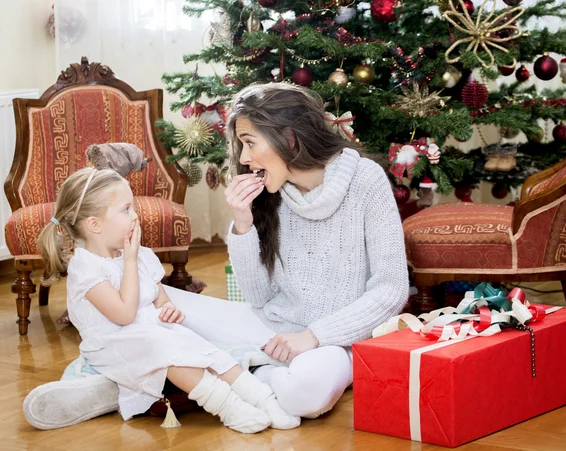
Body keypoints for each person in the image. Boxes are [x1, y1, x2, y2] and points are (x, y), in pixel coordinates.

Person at [23, 82, 409, 426]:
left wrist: (314, 336)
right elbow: (258, 299)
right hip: (270, 326)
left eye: (250, 142)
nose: (243, 157)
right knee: (152, 301)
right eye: (242, 144)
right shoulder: (269, 193)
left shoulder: (366, 182)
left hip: (333, 339)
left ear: (289, 139)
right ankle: (183, 374)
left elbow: (391, 290)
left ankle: (164, 380)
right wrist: (242, 224)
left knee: (304, 395)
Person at [24, 167, 299, 432]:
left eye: (133, 206)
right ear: (94, 224)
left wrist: (169, 311)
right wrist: (130, 260)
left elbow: (161, 299)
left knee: (190, 339)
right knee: (162, 345)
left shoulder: (139, 254)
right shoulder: (86, 268)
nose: (135, 216)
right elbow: (124, 315)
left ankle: (263, 398)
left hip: (151, 334)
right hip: (113, 345)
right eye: (125, 209)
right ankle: (227, 407)